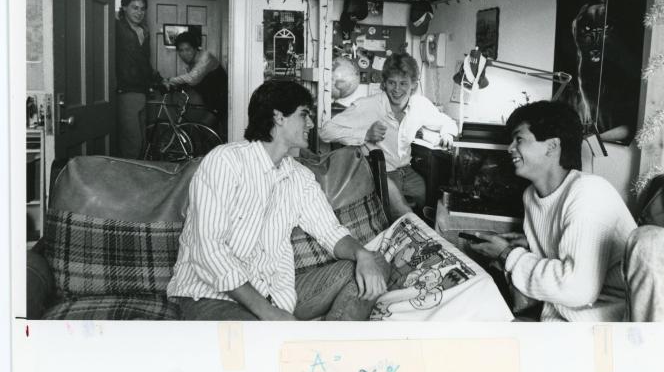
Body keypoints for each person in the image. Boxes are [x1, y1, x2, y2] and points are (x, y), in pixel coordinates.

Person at [167, 80, 389, 320]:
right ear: (279, 117)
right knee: (259, 346)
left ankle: (328, 344)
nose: (311, 123)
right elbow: (209, 250)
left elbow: (331, 233)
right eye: (304, 115)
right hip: (212, 295)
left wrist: (362, 255)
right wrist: (269, 314)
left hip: (276, 295)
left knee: (376, 262)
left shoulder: (300, 177)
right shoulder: (225, 161)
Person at [467, 101, 637, 321]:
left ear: (552, 146)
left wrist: (508, 254)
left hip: (606, 324)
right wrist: (528, 247)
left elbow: (578, 289)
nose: (510, 148)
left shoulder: (588, 192)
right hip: (556, 317)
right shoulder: (530, 195)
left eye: (519, 139)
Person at [319, 52, 457, 221]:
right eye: (392, 82)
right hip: (379, 170)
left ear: (413, 84)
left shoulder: (420, 105)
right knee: (402, 213)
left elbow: (447, 122)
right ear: (384, 83)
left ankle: (422, 236)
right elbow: (325, 131)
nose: (397, 89)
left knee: (429, 199)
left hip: (406, 171)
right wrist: (365, 134)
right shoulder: (368, 105)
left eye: (403, 83)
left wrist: (447, 133)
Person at [115, 0, 163, 159]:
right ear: (124, 8)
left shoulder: (144, 31)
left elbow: (144, 63)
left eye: (142, 9)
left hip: (141, 93)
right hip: (125, 93)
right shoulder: (117, 27)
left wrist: (160, 80)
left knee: (142, 141)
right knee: (132, 142)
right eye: (134, 8)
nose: (139, 12)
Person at [167, 32, 228, 134]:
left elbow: (192, 79)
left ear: (195, 48)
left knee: (201, 131)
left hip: (221, 103)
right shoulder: (191, 64)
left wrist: (169, 80)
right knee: (195, 130)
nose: (184, 54)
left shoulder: (206, 57)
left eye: (188, 49)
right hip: (208, 102)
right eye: (181, 50)